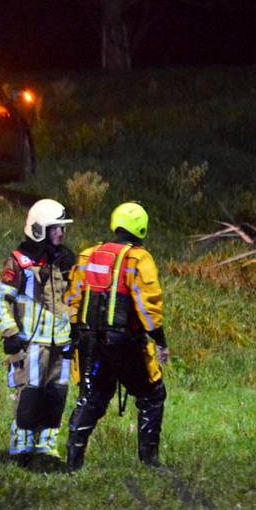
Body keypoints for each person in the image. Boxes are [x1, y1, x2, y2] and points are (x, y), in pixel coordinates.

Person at [65, 201, 169, 471]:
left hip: (89, 341)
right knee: (151, 395)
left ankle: (73, 464)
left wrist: (76, 336)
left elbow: (73, 298)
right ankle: (150, 461)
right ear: (141, 228)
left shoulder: (88, 255)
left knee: (91, 397)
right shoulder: (138, 258)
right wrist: (159, 340)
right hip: (123, 343)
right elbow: (149, 306)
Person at [0, 198, 76, 461]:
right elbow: (0, 298)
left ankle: (47, 444)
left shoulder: (66, 260)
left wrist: (78, 330)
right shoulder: (19, 261)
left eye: (62, 228)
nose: (60, 233)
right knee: (30, 393)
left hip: (61, 342)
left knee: (57, 394)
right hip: (31, 342)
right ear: (39, 229)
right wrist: (10, 333)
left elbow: (74, 297)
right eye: (55, 228)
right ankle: (22, 444)